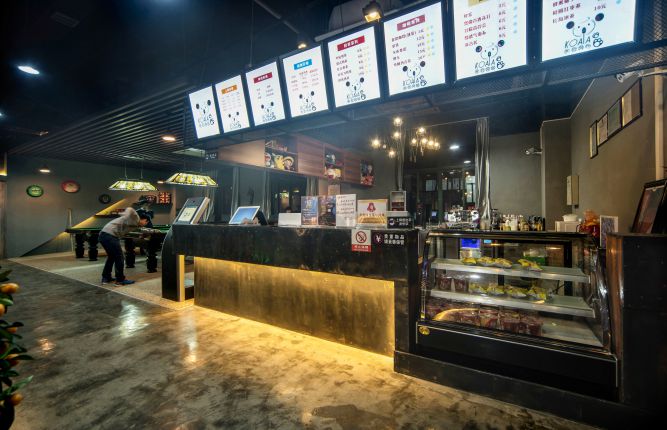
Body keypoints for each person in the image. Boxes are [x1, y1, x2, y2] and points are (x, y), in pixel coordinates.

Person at [99, 207, 150, 285]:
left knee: (111, 257)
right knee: (120, 257)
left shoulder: (135, 225)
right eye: (146, 223)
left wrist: (139, 236)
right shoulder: (135, 218)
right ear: (144, 220)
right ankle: (120, 280)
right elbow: (130, 209)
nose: (145, 225)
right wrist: (125, 215)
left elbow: (126, 232)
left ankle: (106, 277)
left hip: (104, 235)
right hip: (110, 235)